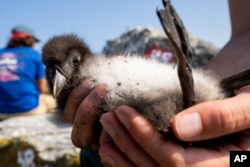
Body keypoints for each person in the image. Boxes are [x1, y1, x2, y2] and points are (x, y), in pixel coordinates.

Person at [64, 0, 250, 166]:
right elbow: (244, 31)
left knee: (102, 149)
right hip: (208, 91)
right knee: (98, 149)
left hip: (197, 116)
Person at [0, 25, 55, 120]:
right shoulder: (35, 55)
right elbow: (41, 88)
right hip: (29, 109)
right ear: (30, 39)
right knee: (54, 102)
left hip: (2, 111)